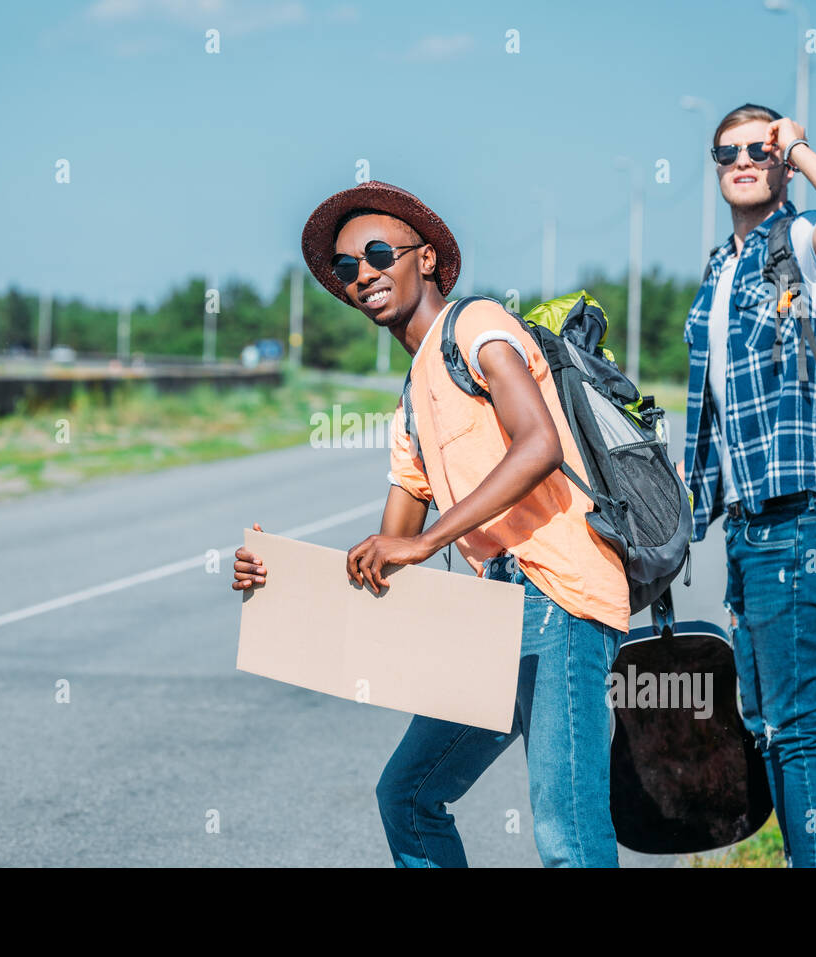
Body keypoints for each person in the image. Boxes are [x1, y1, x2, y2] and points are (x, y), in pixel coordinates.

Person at [232, 180, 630, 867]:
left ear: (425, 260)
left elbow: (539, 442)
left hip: (561, 595)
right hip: (496, 616)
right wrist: (276, 583)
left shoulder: (477, 326)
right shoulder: (411, 401)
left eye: (379, 253)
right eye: (348, 268)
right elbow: (385, 560)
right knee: (409, 795)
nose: (364, 275)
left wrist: (427, 539)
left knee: (568, 833)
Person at [681, 104, 816, 867]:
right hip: (749, 522)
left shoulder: (801, 242)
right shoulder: (719, 269)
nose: (744, 157)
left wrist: (798, 147)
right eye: (728, 149)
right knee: (767, 720)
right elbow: (713, 415)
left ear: (779, 160)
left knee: (799, 726)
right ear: (715, 163)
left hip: (801, 512)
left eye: (759, 147)